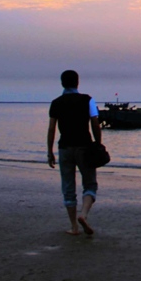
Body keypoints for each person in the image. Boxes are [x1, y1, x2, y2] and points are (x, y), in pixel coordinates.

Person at [46, 70, 103, 236]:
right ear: (77, 82)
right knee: (90, 184)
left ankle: (74, 227)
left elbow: (51, 129)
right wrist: (98, 144)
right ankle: (83, 215)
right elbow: (95, 123)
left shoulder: (56, 103)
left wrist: (50, 152)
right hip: (85, 147)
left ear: (62, 83)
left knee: (68, 187)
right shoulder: (88, 100)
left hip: (65, 148)